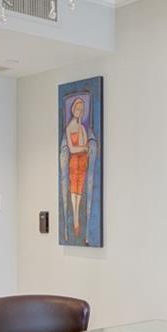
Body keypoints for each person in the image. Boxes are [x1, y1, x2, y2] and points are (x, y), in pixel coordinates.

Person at [63, 95, 94, 238]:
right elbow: (72, 149)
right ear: (73, 109)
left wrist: (84, 148)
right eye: (77, 109)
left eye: (82, 110)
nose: (79, 112)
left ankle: (76, 218)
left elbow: (84, 144)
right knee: (73, 189)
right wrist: (84, 148)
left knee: (79, 189)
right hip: (74, 161)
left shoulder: (82, 127)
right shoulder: (69, 127)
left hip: (82, 162)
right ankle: (75, 218)